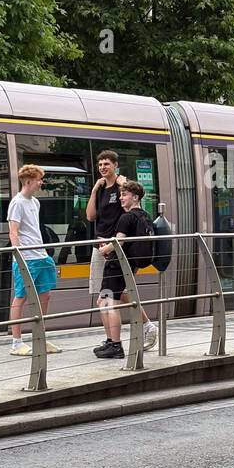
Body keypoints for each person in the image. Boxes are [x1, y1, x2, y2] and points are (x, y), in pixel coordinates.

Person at [93, 180, 158, 359]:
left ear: (135, 197)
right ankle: (110, 341)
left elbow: (119, 242)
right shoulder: (145, 216)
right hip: (130, 264)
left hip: (117, 265)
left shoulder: (126, 217)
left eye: (125, 195)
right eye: (121, 195)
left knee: (109, 303)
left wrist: (104, 248)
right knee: (102, 301)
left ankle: (115, 345)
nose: (121, 198)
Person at [7, 164, 60, 357]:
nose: (41, 183)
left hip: (40, 255)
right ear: (29, 181)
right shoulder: (17, 203)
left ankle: (40, 338)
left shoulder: (35, 203)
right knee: (20, 297)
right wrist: (19, 257)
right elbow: (13, 232)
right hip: (27, 258)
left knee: (45, 295)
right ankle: (16, 342)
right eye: (39, 179)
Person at [86, 149, 126, 304]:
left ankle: (145, 322)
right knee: (101, 290)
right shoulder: (101, 188)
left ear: (115, 165)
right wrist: (94, 190)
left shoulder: (122, 185)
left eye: (106, 164)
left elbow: (135, 209)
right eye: (100, 164)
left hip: (114, 245)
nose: (102, 167)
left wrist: (124, 185)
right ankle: (145, 324)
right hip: (99, 245)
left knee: (115, 290)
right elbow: (90, 216)